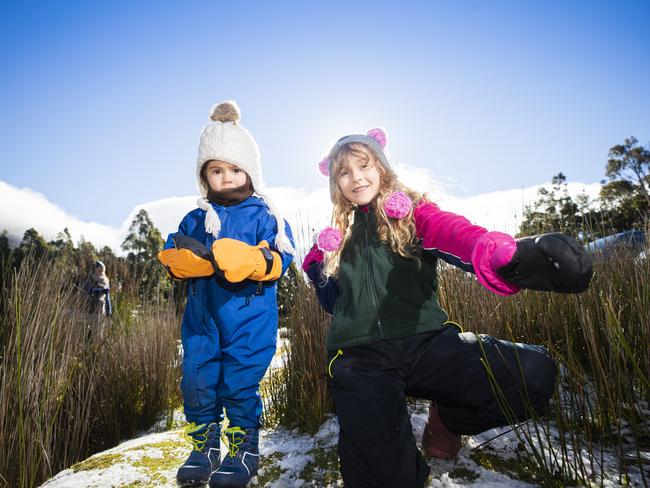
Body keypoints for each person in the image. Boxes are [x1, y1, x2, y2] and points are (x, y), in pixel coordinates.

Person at [302, 128, 592, 488]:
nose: (356, 177)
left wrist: (505, 256)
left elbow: (455, 233)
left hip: (427, 344)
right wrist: (318, 266)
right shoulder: (334, 239)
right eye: (344, 171)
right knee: (384, 479)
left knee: (533, 373)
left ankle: (448, 421)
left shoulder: (412, 214)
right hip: (361, 359)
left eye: (364, 165)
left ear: (382, 167)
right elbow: (331, 303)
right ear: (335, 182)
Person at [158, 101, 295, 488]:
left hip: (248, 320)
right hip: (202, 322)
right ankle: (204, 447)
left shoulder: (266, 215)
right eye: (216, 171)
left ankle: (243, 449)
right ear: (205, 177)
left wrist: (254, 260)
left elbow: (282, 256)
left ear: (249, 171)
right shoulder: (196, 217)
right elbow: (172, 250)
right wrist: (182, 260)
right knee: (197, 381)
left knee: (238, 384)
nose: (226, 177)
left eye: (235, 169)